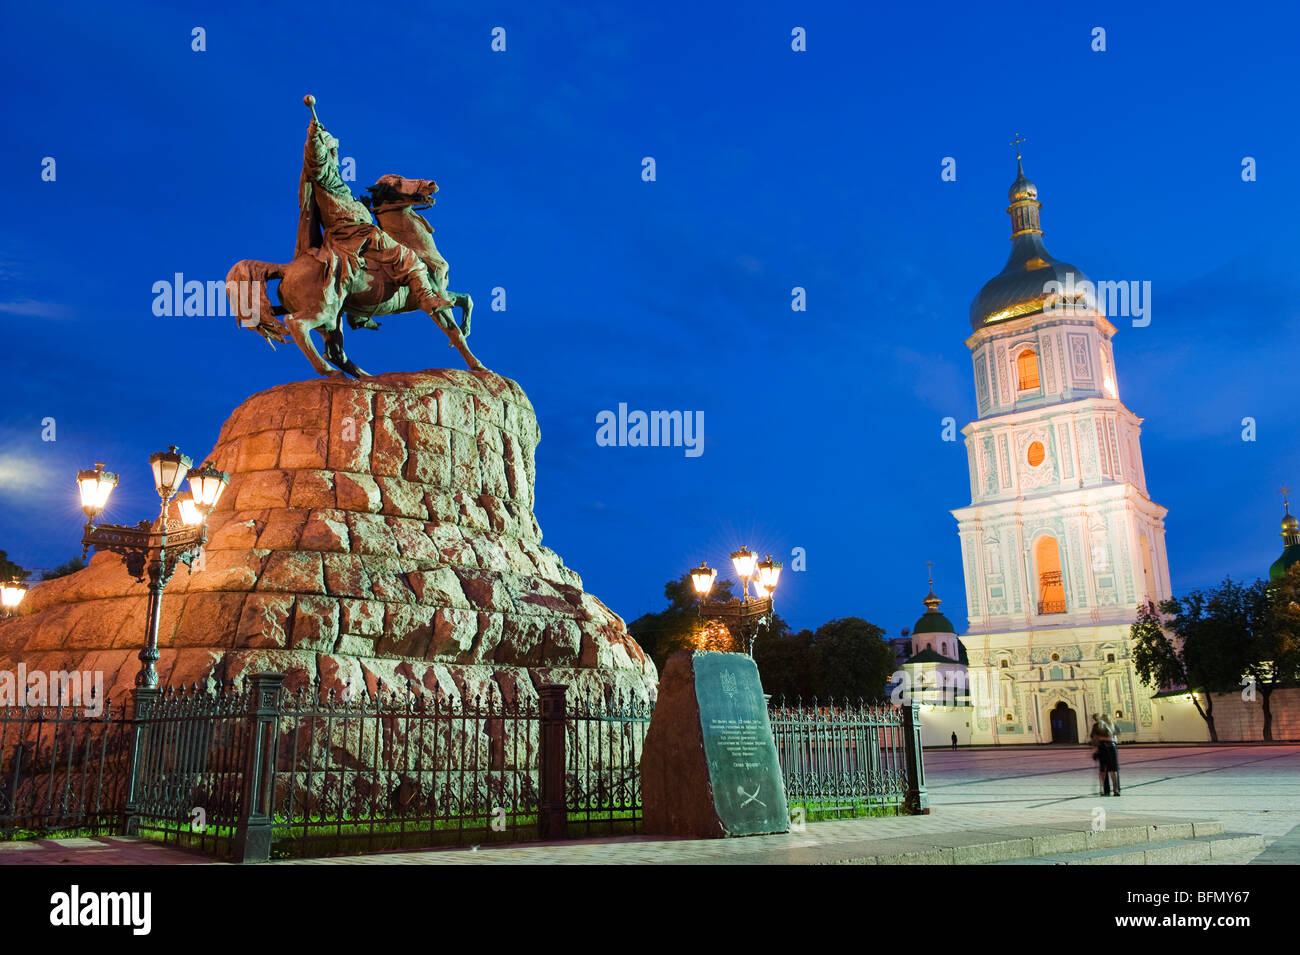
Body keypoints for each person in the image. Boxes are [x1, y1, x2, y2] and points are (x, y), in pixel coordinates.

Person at [1089, 713, 1120, 795]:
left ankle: (1104, 789)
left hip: (1103, 747)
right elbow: (1114, 737)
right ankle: (1115, 789)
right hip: (1111, 747)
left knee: (1104, 769)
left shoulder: (1098, 726)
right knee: (1112, 769)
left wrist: (1096, 746)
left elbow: (1094, 737)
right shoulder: (1111, 725)